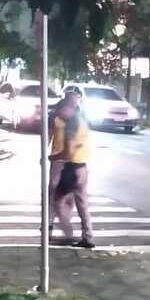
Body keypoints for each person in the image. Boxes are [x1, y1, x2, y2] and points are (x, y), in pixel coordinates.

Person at [49, 89, 95, 249]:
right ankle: (88, 237)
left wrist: (52, 157)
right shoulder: (82, 120)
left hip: (71, 169)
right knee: (82, 204)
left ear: (69, 108)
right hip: (82, 168)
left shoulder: (71, 124)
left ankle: (68, 234)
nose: (59, 113)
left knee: (57, 200)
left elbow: (68, 152)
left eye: (62, 110)